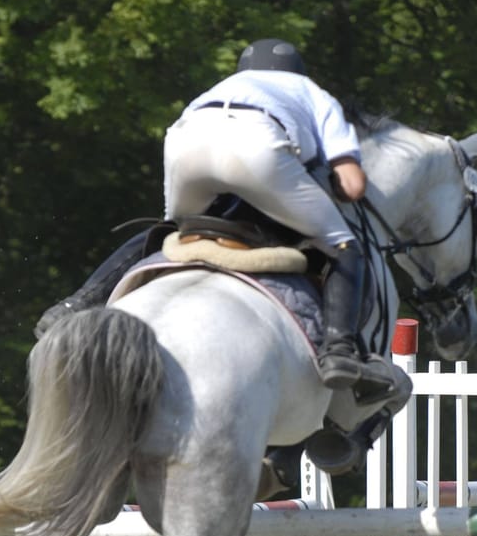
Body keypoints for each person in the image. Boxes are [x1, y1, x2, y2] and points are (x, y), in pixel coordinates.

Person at [162, 38, 392, 393]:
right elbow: (354, 185)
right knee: (344, 244)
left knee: (173, 233)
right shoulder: (311, 92)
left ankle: (81, 301)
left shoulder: (221, 86)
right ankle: (338, 351)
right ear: (298, 72)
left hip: (185, 143)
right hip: (259, 146)